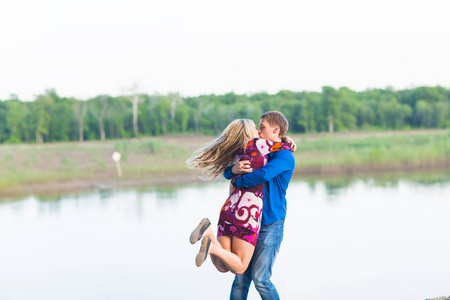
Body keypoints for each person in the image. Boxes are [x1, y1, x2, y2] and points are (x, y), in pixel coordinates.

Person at [186, 118, 293, 275]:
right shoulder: (259, 146)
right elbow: (283, 147)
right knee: (240, 267)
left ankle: (208, 233)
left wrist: (233, 173)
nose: (258, 131)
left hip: (229, 209)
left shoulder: (236, 151)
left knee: (223, 266)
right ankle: (211, 246)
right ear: (249, 133)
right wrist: (287, 141)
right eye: (256, 129)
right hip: (247, 212)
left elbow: (227, 172)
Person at [224, 111, 295, 300]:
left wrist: (237, 182)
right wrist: (232, 170)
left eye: (261, 127)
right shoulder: (258, 150)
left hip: (270, 224)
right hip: (248, 222)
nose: (258, 131)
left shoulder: (285, 156)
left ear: (275, 129)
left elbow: (263, 175)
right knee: (240, 278)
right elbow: (227, 171)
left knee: (261, 279)